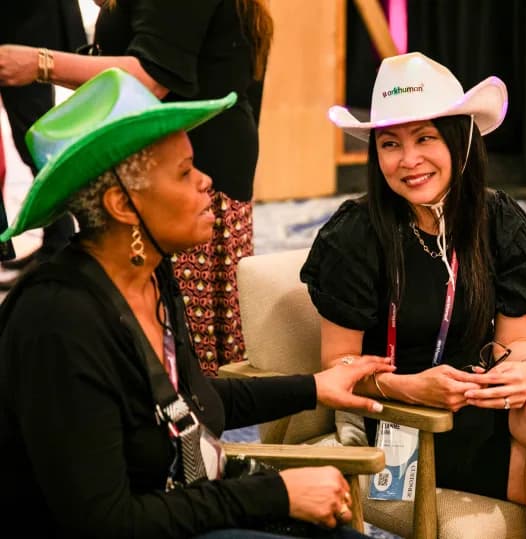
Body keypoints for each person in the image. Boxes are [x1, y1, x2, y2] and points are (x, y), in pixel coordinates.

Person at [0, 68, 393, 538]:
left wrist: (315, 388)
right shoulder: (58, 321)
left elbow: (193, 401)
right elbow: (106, 520)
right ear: (122, 205)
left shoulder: (152, 276)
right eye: (185, 172)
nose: (207, 181)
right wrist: (276, 493)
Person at [300, 52, 526, 538]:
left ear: (460, 140)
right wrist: (411, 387)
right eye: (390, 144)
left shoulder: (499, 220)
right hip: (406, 418)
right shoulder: (354, 235)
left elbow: (519, 342)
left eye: (425, 138)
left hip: (483, 398)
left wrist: (523, 369)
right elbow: (337, 368)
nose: (409, 160)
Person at [0, 0, 273, 372]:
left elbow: (152, 75)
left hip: (177, 167)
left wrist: (39, 63)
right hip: (182, 161)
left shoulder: (187, 179)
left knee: (181, 354)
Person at [0, 0, 87, 289]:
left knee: (35, 139)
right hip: (22, 23)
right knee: (30, 137)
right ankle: (56, 236)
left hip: (26, 26)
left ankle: (61, 241)